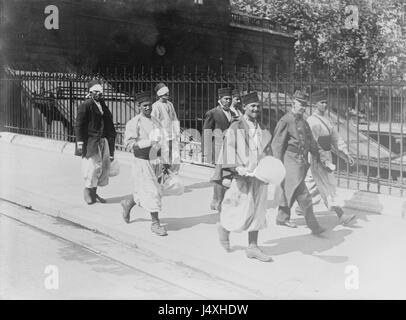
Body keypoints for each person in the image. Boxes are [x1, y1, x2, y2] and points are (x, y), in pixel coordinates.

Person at [215, 91, 276, 262]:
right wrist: (237, 168)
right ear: (245, 107)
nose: (256, 109)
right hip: (242, 176)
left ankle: (253, 247)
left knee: (258, 211)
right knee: (237, 209)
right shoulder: (237, 127)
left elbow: (268, 151)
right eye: (252, 106)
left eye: (258, 106)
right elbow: (228, 150)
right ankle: (224, 229)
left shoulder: (263, 128)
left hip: (259, 177)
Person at [271, 100, 326, 235]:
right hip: (290, 160)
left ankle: (282, 217)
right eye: (301, 104)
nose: (303, 107)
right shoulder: (285, 120)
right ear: (293, 105)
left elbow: (311, 140)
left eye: (305, 104)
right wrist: (277, 164)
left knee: (290, 189)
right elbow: (277, 144)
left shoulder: (304, 121)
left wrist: (317, 156)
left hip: (300, 160)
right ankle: (314, 226)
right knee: (303, 193)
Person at [120, 91, 167, 236]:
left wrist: (165, 160)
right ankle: (155, 224)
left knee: (153, 190)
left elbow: (162, 141)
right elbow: (129, 144)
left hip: (155, 160)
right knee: (152, 192)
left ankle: (129, 203)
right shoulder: (134, 123)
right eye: (144, 106)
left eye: (149, 105)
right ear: (139, 106)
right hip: (142, 161)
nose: (148, 108)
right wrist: (148, 142)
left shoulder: (156, 121)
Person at [303, 100, 356, 225]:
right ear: (315, 103)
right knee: (328, 186)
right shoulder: (312, 121)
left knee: (312, 186)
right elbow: (313, 144)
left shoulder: (326, 119)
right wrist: (322, 159)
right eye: (321, 102)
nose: (325, 105)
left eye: (326, 102)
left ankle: (293, 208)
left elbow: (335, 137)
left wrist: (346, 153)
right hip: (317, 158)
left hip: (326, 155)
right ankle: (341, 215)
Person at [74, 79, 116, 205]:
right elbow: (79, 126)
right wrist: (80, 144)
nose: (98, 94)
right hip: (91, 142)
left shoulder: (103, 105)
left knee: (102, 168)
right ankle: (87, 191)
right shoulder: (86, 105)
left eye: (100, 92)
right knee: (92, 168)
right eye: (95, 92)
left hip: (103, 140)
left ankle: (94, 192)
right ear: (90, 92)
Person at [202, 87, 234, 212]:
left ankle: (216, 200)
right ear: (219, 99)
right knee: (220, 176)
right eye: (226, 99)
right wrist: (206, 152)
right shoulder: (213, 113)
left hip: (229, 149)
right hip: (218, 148)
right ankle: (219, 202)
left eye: (230, 99)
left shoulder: (233, 113)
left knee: (221, 175)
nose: (228, 101)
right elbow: (207, 132)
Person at [151, 82, 180, 170]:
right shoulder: (155, 106)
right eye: (165, 94)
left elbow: (174, 118)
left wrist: (177, 131)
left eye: (168, 93)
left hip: (172, 134)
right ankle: (164, 177)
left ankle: (174, 174)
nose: (168, 95)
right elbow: (154, 122)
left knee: (175, 155)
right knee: (165, 156)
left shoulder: (170, 104)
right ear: (160, 94)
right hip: (162, 135)